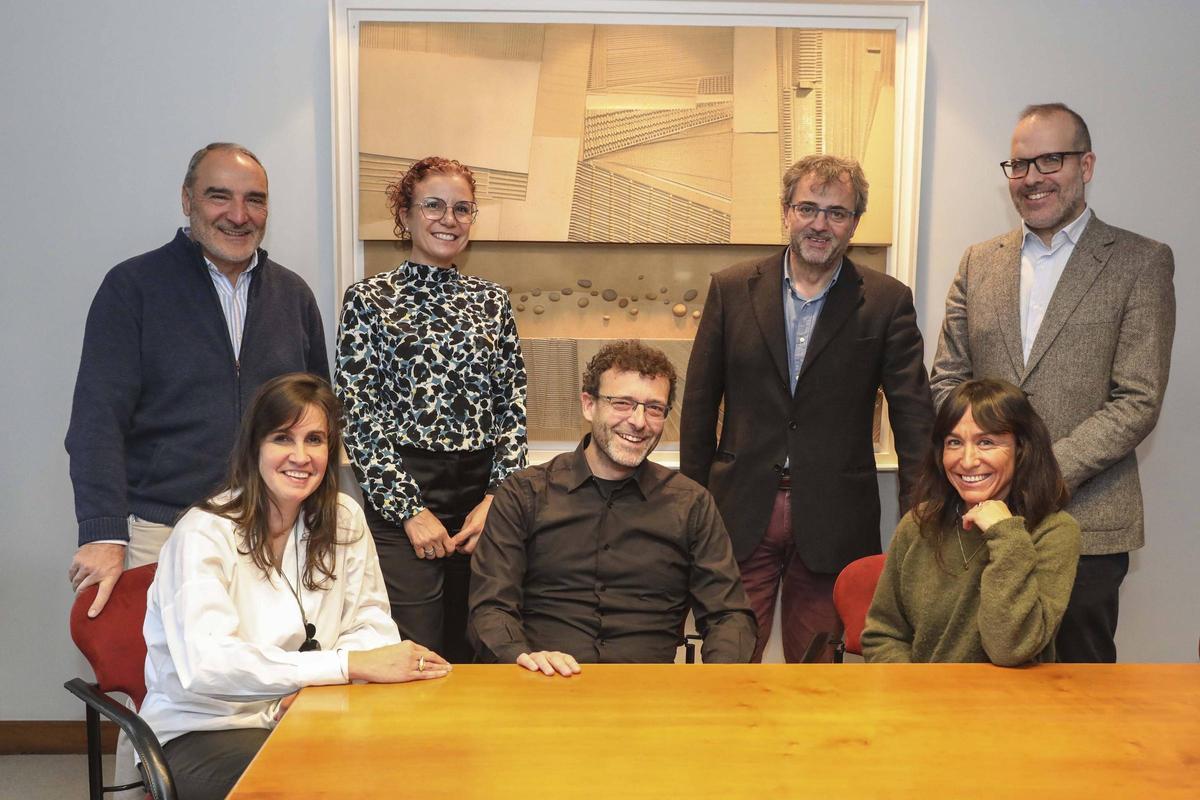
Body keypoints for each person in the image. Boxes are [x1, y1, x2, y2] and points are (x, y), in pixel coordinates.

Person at [929, 103, 1176, 663]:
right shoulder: (978, 262)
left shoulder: (1141, 262)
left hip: (1086, 521)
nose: (1032, 177)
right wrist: (984, 465)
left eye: (1050, 159)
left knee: (1078, 698)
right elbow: (948, 379)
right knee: (983, 684)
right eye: (1019, 165)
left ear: (1085, 165)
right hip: (982, 520)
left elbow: (1137, 399)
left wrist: (1036, 470)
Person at [141, 373, 450, 799]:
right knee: (327, 784)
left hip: (313, 713)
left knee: (423, 764)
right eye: (283, 438)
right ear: (255, 447)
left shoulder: (344, 517)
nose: (301, 456)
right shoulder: (202, 533)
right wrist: (342, 669)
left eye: (315, 440)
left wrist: (310, 693)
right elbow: (208, 665)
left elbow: (370, 625)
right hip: (205, 729)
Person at [680, 154, 934, 663]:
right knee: (728, 661)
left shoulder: (886, 301)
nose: (820, 224)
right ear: (786, 212)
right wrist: (689, 508)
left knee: (818, 671)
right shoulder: (731, 289)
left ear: (855, 223)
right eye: (808, 208)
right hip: (740, 511)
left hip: (834, 518)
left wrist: (922, 517)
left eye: (837, 213)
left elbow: (914, 420)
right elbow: (699, 406)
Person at [66, 142, 329, 617]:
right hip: (160, 533)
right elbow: (96, 420)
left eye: (255, 199)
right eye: (218, 196)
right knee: (160, 686)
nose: (239, 214)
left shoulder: (293, 296)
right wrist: (103, 533)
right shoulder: (132, 288)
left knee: (265, 684)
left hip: (267, 534)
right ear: (187, 200)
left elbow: (318, 422)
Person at [336, 156, 527, 663]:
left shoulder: (492, 301)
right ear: (406, 211)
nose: (449, 219)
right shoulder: (369, 301)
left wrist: (497, 501)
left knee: (482, 638)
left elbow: (512, 406)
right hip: (405, 495)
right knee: (415, 646)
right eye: (434, 205)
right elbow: (358, 415)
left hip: (480, 499)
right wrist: (409, 511)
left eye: (462, 209)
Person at [470, 340, 756, 677]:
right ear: (589, 405)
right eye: (622, 403)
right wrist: (521, 658)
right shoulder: (523, 494)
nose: (638, 422)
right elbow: (491, 608)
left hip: (648, 697)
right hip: (541, 686)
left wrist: (716, 680)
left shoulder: (691, 504)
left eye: (654, 408)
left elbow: (729, 615)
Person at [861, 379, 1081, 664]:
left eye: (986, 442)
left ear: (1021, 448)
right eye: (954, 442)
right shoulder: (919, 524)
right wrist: (915, 693)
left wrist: (1006, 534)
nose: (966, 461)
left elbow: (1010, 648)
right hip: (922, 701)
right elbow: (883, 635)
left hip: (1011, 704)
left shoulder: (1054, 532)